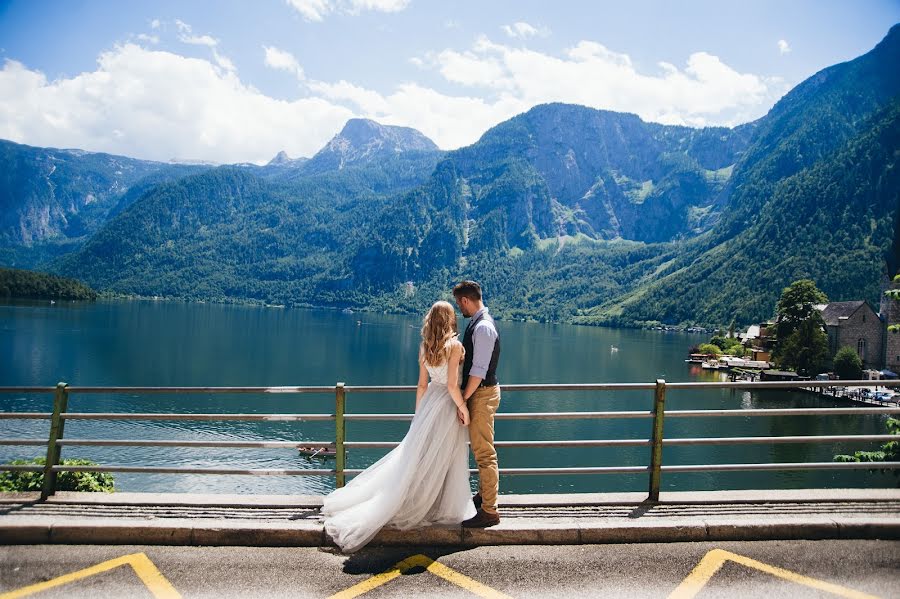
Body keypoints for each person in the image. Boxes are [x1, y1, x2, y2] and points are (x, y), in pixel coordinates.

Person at [321, 301, 476, 552]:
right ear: (449, 320)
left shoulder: (426, 347)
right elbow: (451, 386)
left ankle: (418, 500)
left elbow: (422, 386)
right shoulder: (455, 346)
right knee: (445, 458)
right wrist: (463, 408)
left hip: (428, 407)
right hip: (446, 406)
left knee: (419, 458)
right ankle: (437, 506)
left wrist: (419, 417)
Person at [452, 280, 502, 528]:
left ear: (465, 300)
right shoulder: (479, 323)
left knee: (484, 453)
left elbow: (478, 371)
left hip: (481, 393)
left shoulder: (482, 327)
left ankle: (490, 511)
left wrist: (464, 398)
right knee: (482, 449)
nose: (459, 308)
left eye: (458, 303)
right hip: (480, 392)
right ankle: (483, 497)